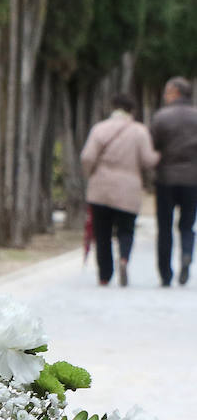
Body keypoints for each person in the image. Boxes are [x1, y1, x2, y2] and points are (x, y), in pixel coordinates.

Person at [81, 94, 158, 287]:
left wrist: (91, 174)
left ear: (113, 108)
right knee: (126, 229)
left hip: (101, 187)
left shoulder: (100, 129)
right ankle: (123, 258)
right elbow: (149, 160)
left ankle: (104, 276)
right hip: (128, 188)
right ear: (132, 110)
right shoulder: (139, 131)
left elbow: (87, 157)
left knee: (102, 232)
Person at [149, 76, 197, 285]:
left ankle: (165, 274)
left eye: (167, 92)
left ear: (176, 93)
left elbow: (152, 146)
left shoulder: (161, 117)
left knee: (165, 227)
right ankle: (186, 253)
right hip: (192, 180)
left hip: (166, 178)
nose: (165, 96)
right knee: (187, 224)